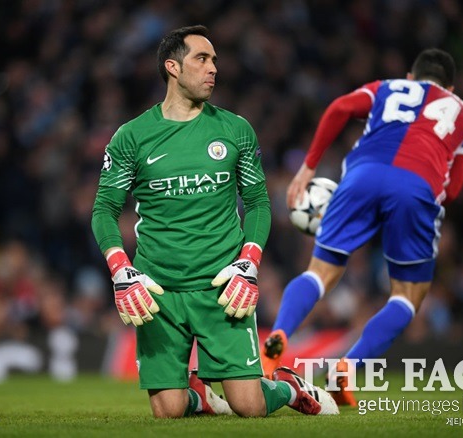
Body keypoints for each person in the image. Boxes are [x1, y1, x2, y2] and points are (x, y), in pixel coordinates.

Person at [92, 25, 324, 418]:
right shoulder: (131, 137)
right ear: (173, 67)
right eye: (202, 59)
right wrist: (120, 269)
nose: (213, 68)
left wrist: (249, 263)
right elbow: (104, 210)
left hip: (223, 286)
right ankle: (198, 396)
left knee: (249, 407)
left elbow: (258, 204)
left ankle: (286, 386)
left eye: (215, 60)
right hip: (157, 291)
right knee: (169, 410)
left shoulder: (235, 130)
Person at [261, 48, 463, 406]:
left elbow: (339, 109)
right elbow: (453, 189)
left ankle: (278, 337)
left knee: (320, 272)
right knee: (408, 296)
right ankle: (346, 368)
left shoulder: (387, 87)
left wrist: (309, 167)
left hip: (361, 175)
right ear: (451, 88)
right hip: (417, 188)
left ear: (411, 77)